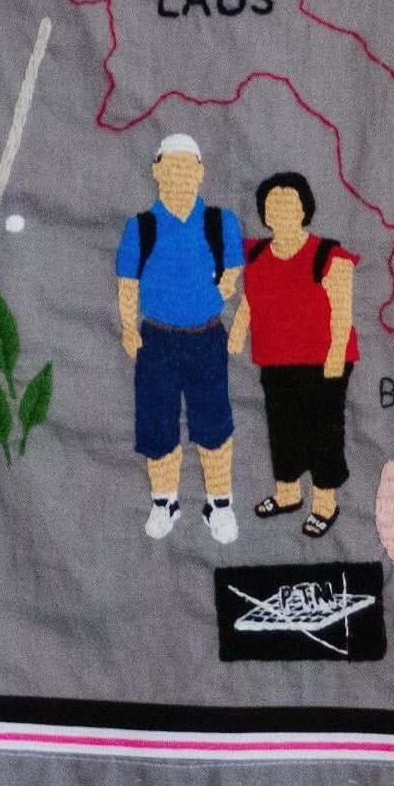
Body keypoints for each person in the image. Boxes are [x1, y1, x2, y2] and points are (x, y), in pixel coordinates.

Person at [115, 133, 245, 543]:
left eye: (188, 167)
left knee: (214, 423)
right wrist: (128, 327)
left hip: (207, 337)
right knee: (158, 424)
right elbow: (127, 284)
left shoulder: (221, 221)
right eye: (171, 166)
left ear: (201, 172)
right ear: (156, 171)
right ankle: (164, 502)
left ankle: (219, 504)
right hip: (156, 339)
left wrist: (223, 287)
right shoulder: (141, 227)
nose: (180, 174)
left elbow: (234, 267)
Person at [227, 172, 357, 538]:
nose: (280, 211)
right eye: (272, 205)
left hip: (322, 362)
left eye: (289, 204)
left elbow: (342, 310)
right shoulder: (256, 253)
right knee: (282, 429)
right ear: (264, 213)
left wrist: (336, 354)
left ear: (304, 209)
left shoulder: (328, 254)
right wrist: (238, 330)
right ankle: (287, 493)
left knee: (323, 431)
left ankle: (325, 503)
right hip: (275, 359)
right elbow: (251, 297)